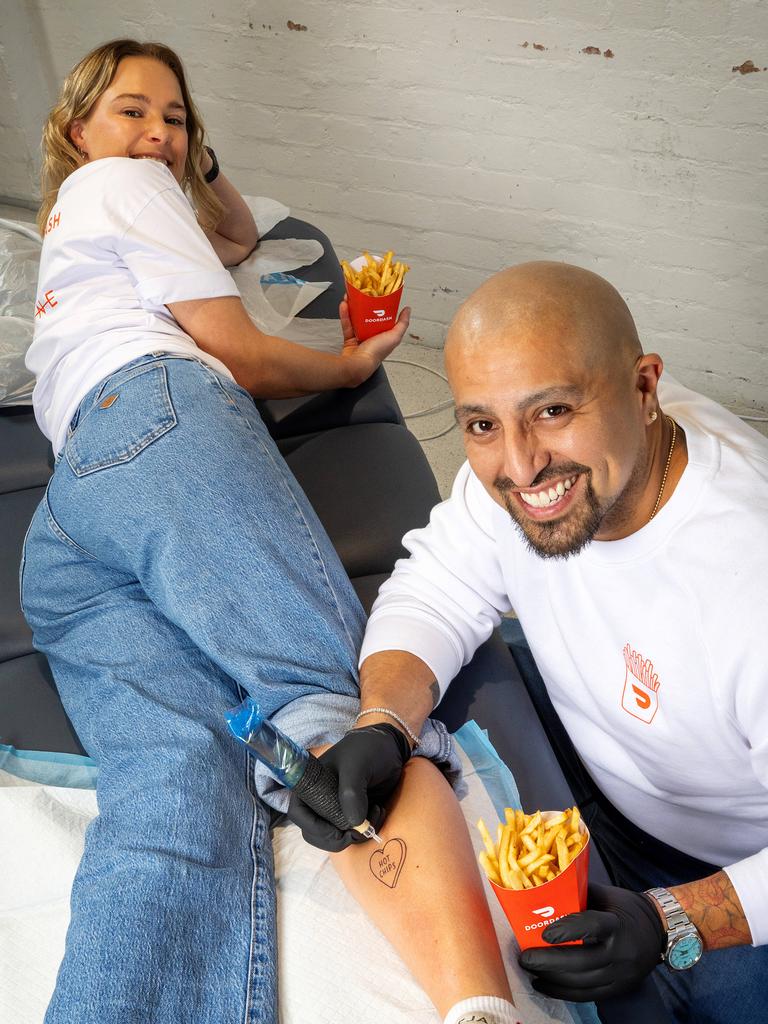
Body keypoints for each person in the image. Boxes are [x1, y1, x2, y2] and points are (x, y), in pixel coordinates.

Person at [21, 38, 523, 1024]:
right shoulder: (121, 181)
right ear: (78, 129)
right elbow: (236, 350)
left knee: (171, 799)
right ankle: (483, 1011)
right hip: (160, 426)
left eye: (175, 115)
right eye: (132, 110)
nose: (157, 134)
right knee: (344, 713)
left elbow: (238, 235)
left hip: (72, 517)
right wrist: (344, 368)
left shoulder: (81, 217)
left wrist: (191, 156)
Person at [290, 261, 768, 1024]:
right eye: (482, 424)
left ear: (645, 389)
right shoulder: (523, 481)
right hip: (608, 794)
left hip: (739, 872)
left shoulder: (747, 580)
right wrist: (382, 723)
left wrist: (676, 919)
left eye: (551, 411)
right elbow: (436, 586)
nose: (518, 467)